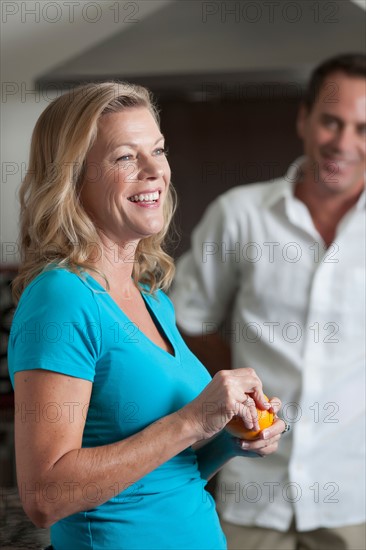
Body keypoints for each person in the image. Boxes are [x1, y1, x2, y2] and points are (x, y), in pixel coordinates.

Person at [7, 82, 286, 550]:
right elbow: (44, 496)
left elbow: (163, 475)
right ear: (72, 178)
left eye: (158, 150)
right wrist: (193, 420)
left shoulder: (151, 296)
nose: (156, 171)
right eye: (125, 157)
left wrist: (229, 435)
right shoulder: (62, 298)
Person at [171, 53, 366, 550]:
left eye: (362, 128)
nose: (344, 142)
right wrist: (241, 389)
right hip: (252, 492)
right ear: (303, 118)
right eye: (331, 121)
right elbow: (185, 320)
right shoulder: (239, 214)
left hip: (355, 500)